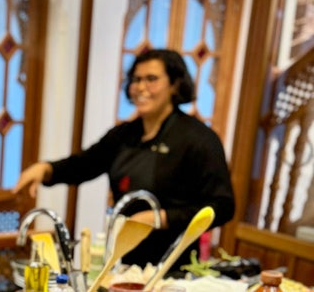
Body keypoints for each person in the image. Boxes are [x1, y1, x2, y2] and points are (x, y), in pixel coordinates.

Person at [12, 49, 236, 268]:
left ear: (174, 84)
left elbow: (223, 205)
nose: (141, 87)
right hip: (127, 262)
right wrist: (46, 169)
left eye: (151, 79)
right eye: (136, 79)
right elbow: (84, 164)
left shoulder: (199, 139)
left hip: (176, 266)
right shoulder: (124, 135)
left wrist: (160, 217)